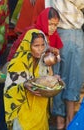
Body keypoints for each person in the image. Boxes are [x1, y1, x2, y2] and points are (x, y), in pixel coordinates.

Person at [46, 0, 84, 129]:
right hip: (70, 31)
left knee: (58, 76)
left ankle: (60, 120)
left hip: (59, 30)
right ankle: (68, 120)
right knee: (72, 77)